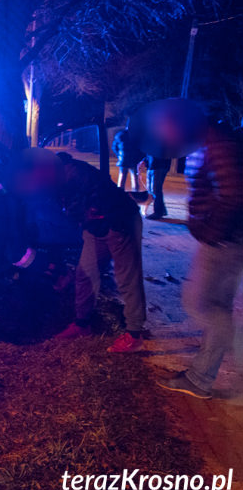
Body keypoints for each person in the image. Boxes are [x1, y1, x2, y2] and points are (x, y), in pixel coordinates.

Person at [158, 120, 243, 399]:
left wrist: (210, 231)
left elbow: (232, 195)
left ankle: (229, 344)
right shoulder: (211, 145)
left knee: (198, 303)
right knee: (215, 305)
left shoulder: (218, 147)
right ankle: (200, 378)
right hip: (226, 239)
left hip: (223, 241)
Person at [51, 152, 149, 352]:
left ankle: (134, 334)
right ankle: (82, 324)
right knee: (85, 273)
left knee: (127, 278)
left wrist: (77, 214)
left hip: (120, 224)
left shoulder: (75, 174)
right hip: (96, 227)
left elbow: (99, 202)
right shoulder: (59, 177)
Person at [112, 126, 144, 191]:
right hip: (134, 160)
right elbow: (141, 149)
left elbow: (114, 147)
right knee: (135, 179)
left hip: (123, 160)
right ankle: (135, 195)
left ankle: (120, 195)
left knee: (122, 178)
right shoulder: (137, 135)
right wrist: (140, 159)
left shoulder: (120, 135)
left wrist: (119, 156)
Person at [145, 154, 172, 219]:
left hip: (159, 165)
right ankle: (161, 210)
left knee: (156, 189)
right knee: (152, 189)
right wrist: (145, 160)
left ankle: (158, 212)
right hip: (152, 164)